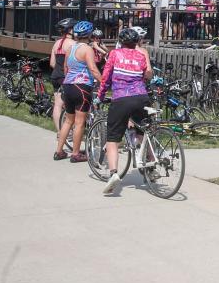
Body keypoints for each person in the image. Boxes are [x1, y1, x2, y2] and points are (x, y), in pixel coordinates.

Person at [97, 28, 153, 195]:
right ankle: (152, 162)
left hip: (121, 98)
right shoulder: (141, 56)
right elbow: (147, 75)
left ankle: (114, 174)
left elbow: (106, 77)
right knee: (143, 131)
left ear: (121, 42)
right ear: (136, 42)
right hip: (141, 97)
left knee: (113, 138)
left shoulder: (114, 54)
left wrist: (100, 95)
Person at [54, 21, 102, 162]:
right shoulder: (87, 49)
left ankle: (59, 151)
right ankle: (75, 154)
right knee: (80, 122)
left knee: (68, 121)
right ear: (89, 34)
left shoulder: (70, 48)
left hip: (68, 85)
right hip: (82, 87)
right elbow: (93, 69)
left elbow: (65, 68)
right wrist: (104, 81)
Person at [49, 18, 76, 137]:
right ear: (70, 30)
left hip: (55, 75)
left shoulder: (56, 43)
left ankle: (60, 131)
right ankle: (70, 130)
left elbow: (52, 63)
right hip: (66, 77)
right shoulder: (73, 44)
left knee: (58, 104)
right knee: (73, 104)